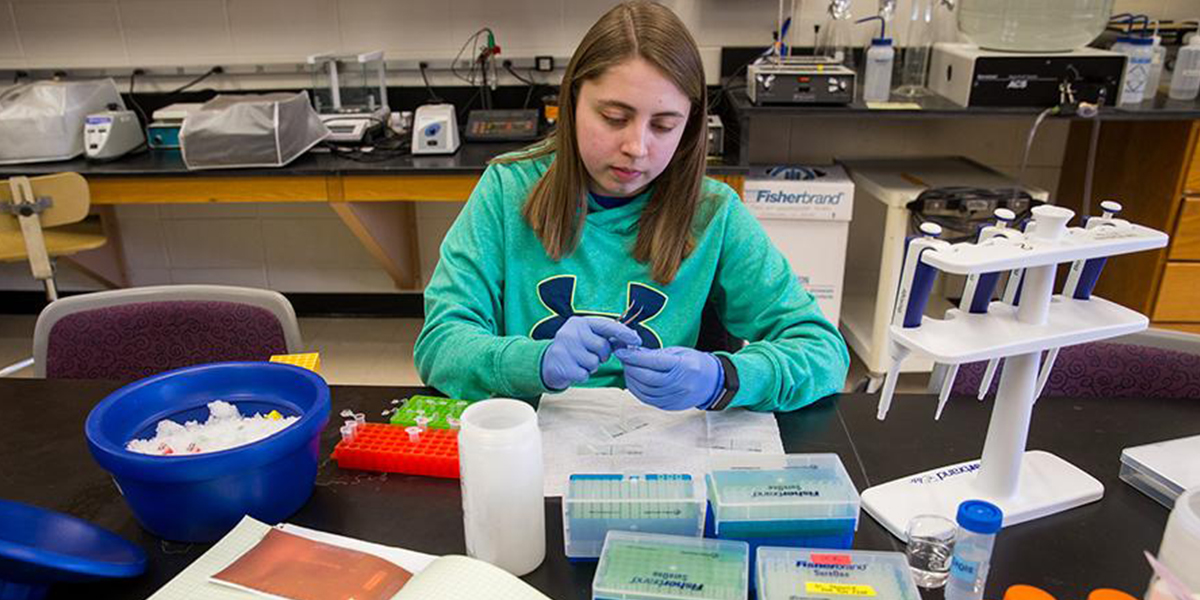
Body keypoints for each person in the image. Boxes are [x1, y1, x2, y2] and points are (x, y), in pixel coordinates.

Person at [415, 1, 849, 412]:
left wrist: (724, 377)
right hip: (528, 448)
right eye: (614, 117)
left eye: (663, 125)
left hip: (659, 457)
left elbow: (822, 350)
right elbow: (440, 344)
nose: (636, 147)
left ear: (690, 126)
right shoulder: (507, 191)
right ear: (571, 104)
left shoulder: (714, 214)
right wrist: (533, 362)